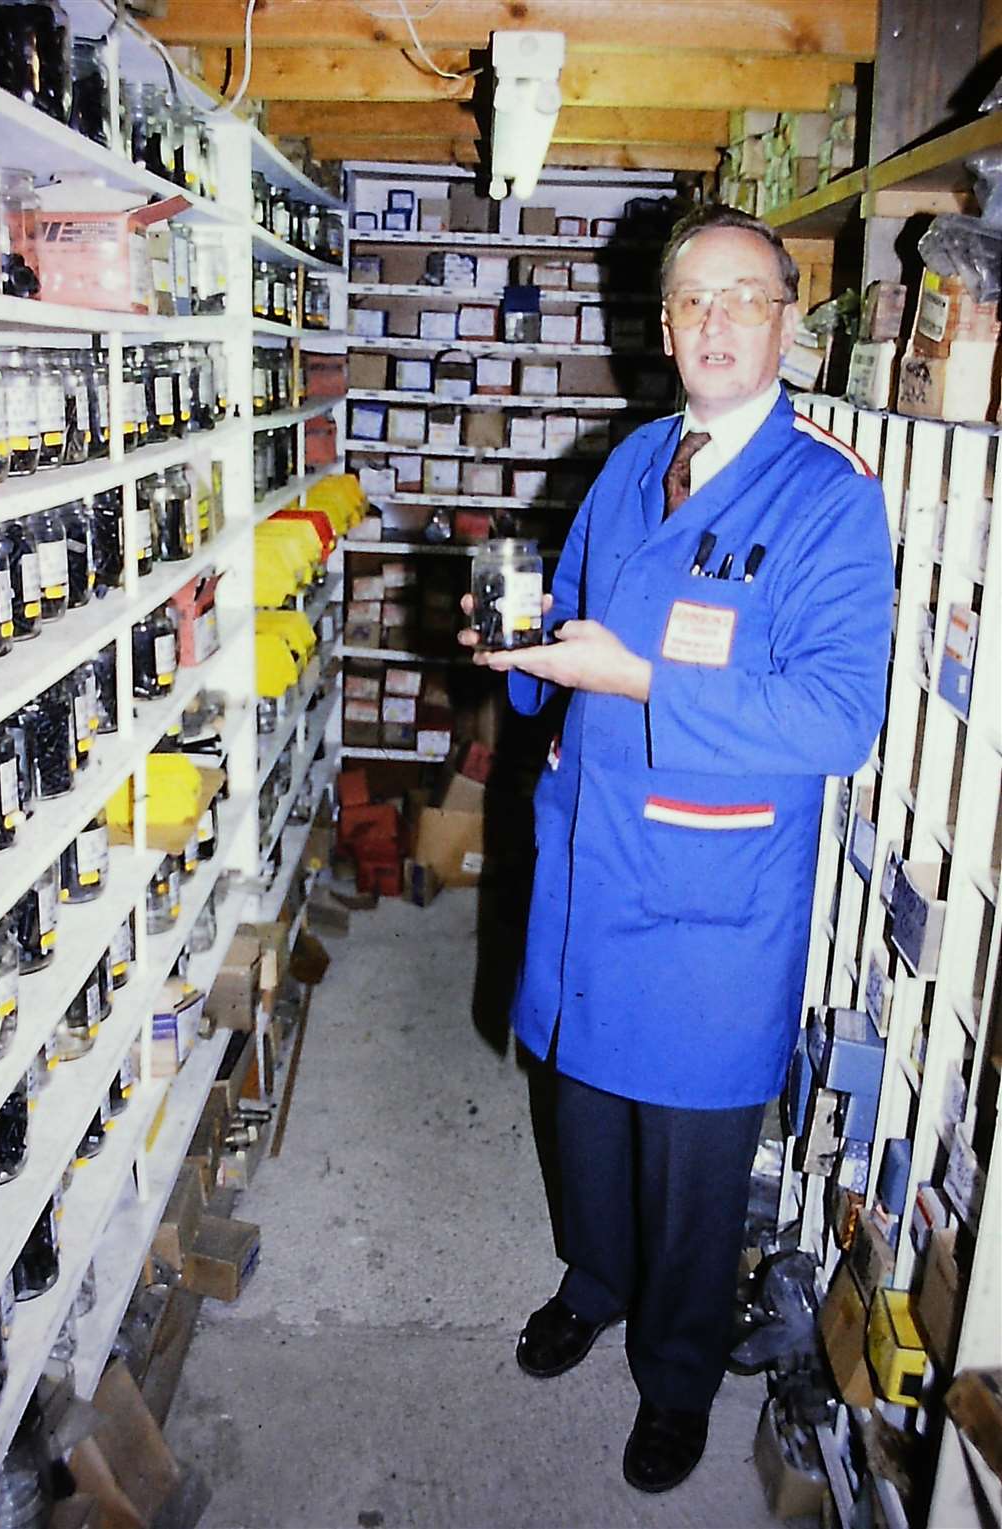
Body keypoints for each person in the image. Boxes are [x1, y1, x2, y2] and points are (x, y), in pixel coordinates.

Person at [459, 204, 893, 1495]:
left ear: (788, 323)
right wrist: (521, 661)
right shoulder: (634, 454)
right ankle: (593, 1280)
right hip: (593, 862)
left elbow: (838, 715)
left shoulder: (828, 498)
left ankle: (680, 1367)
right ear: (662, 325)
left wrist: (640, 677)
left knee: (696, 1160)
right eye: (690, 300)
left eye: (741, 297)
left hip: (713, 888)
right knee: (584, 1107)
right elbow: (579, 619)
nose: (713, 322)